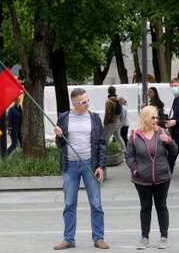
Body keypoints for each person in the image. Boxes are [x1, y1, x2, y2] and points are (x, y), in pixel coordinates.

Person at [53, 88, 109, 250]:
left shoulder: (94, 118)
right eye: (84, 102)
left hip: (90, 164)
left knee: (96, 204)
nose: (87, 104)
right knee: (69, 203)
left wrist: (100, 166)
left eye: (87, 100)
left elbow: (101, 143)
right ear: (75, 103)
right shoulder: (63, 118)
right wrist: (59, 136)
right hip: (70, 165)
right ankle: (68, 239)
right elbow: (60, 145)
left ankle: (99, 238)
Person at [125, 105, 178, 250]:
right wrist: (136, 170)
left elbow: (174, 151)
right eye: (152, 117)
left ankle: (164, 237)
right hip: (142, 178)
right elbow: (129, 156)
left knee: (161, 206)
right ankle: (144, 238)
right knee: (145, 207)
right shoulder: (135, 134)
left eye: (157, 117)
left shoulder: (162, 132)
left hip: (162, 176)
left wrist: (168, 140)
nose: (155, 120)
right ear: (145, 118)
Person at [103, 86, 126, 152]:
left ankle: (105, 153)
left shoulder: (109, 102)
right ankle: (124, 151)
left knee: (105, 138)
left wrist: (105, 123)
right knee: (118, 137)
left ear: (108, 92)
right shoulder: (118, 101)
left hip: (111, 122)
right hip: (117, 122)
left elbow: (108, 114)